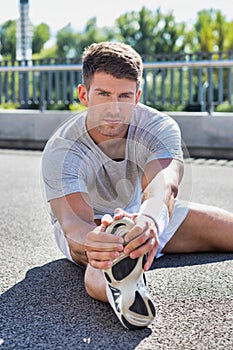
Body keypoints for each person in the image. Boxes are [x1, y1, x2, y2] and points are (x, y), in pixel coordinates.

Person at [41, 41, 233, 330]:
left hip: (145, 213)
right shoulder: (62, 147)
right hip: (89, 226)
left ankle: (128, 262)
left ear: (137, 96)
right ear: (84, 94)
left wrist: (150, 220)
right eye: (104, 94)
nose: (114, 109)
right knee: (103, 254)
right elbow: (73, 223)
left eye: (125, 96)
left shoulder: (160, 126)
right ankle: (124, 290)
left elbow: (164, 185)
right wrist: (98, 241)